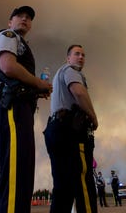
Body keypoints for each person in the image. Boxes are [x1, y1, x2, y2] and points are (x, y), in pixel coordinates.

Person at [0, 6, 52, 213]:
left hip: (17, 108)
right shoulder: (8, 36)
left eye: (28, 18)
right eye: (19, 16)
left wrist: (35, 90)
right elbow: (7, 66)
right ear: (10, 22)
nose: (25, 19)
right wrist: (38, 84)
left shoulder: (21, 44)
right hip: (12, 108)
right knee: (18, 175)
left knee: (9, 177)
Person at [44, 44, 99, 213]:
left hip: (55, 130)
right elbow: (79, 92)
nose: (81, 57)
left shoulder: (60, 73)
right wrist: (93, 117)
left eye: (83, 54)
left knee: (62, 187)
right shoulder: (71, 70)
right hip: (70, 131)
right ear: (68, 58)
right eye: (77, 54)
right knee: (83, 180)